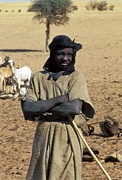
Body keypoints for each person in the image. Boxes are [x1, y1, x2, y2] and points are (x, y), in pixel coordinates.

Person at [21, 35, 96, 180]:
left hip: (67, 134)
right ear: (52, 55)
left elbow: (74, 108)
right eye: (60, 54)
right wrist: (60, 99)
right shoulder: (38, 78)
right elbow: (28, 108)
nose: (65, 58)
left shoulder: (75, 77)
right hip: (43, 135)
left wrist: (42, 107)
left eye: (69, 54)